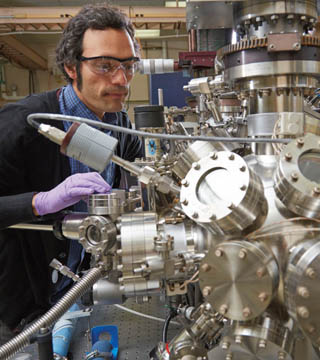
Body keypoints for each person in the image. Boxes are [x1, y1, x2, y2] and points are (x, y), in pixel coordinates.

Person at [0, 3, 143, 345]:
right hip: (21, 307)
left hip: (76, 285)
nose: (121, 80)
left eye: (129, 65)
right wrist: (39, 202)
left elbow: (141, 168)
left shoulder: (118, 122)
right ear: (71, 67)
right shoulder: (21, 125)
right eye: (105, 66)